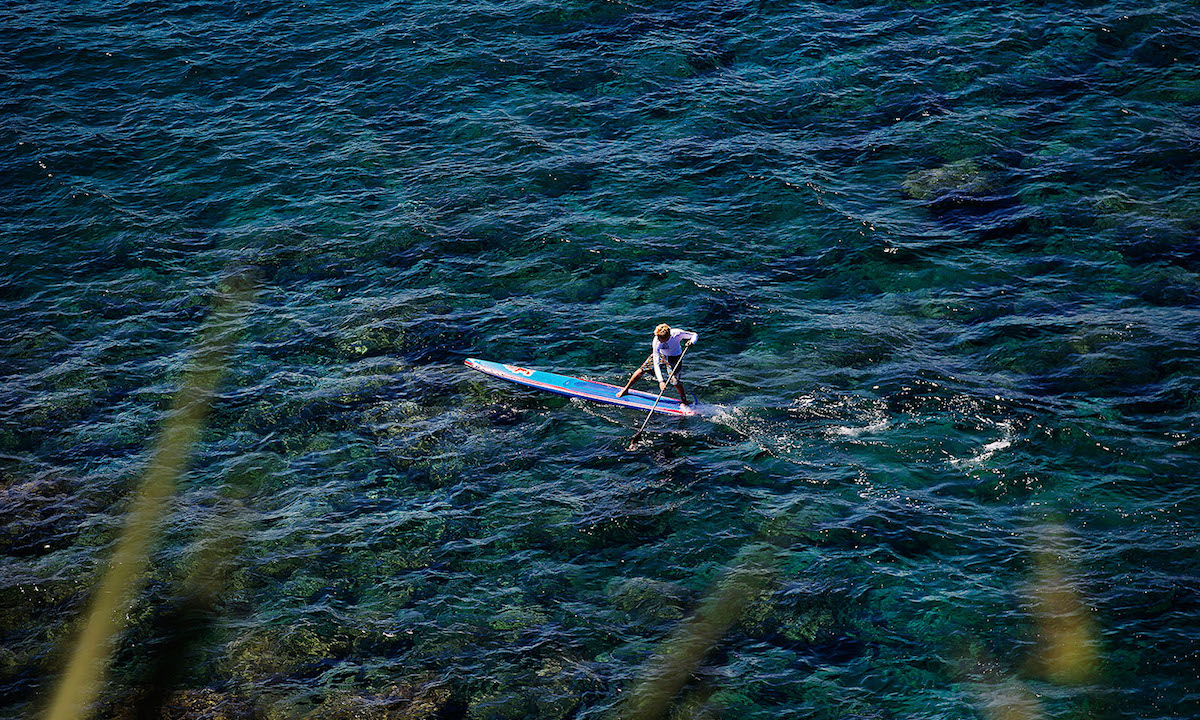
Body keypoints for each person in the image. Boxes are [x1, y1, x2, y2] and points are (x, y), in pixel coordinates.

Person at [616, 323, 698, 404]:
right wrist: (661, 381)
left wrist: (692, 342)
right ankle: (625, 389)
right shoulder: (656, 342)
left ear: (667, 336)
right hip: (661, 355)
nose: (658, 340)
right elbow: (656, 363)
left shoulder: (677, 333)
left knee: (675, 381)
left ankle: (684, 400)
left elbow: (694, 335)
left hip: (675, 357)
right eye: (657, 337)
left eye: (660, 338)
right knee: (641, 370)